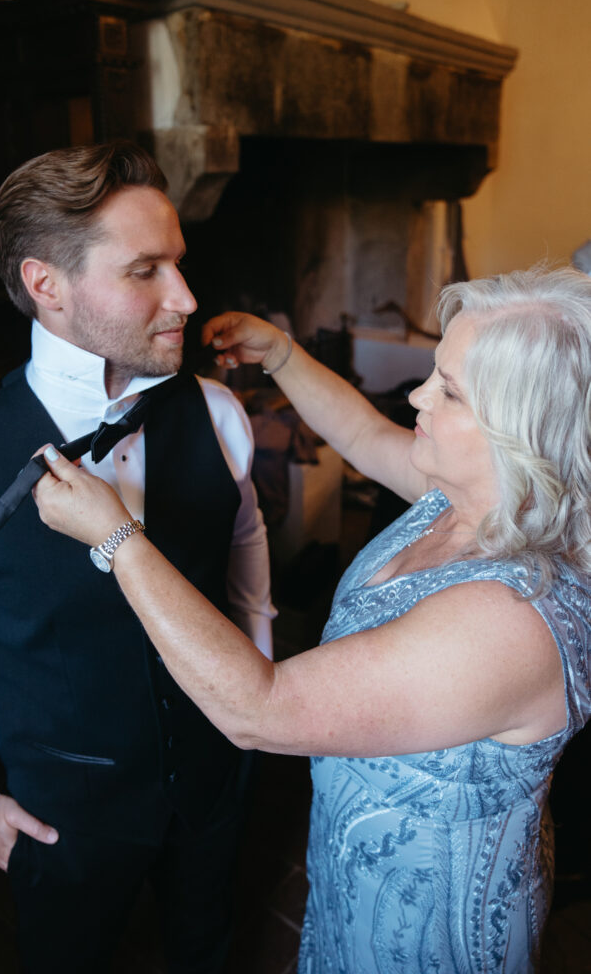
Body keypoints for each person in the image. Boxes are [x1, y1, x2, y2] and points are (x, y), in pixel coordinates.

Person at [33, 265, 590, 973]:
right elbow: (361, 431)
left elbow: (258, 710)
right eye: (433, 372)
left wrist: (116, 539)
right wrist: (283, 354)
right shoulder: (469, 495)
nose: (418, 395)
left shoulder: (508, 620)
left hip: (426, 929)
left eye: (448, 391)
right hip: (357, 872)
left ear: (520, 430)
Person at [0, 141, 274, 973]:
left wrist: (257, 671)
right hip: (63, 823)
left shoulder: (217, 411)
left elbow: (242, 540)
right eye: (145, 270)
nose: (184, 297)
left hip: (218, 782)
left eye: (178, 264)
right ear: (48, 286)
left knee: (206, 946)